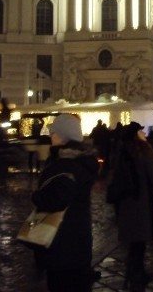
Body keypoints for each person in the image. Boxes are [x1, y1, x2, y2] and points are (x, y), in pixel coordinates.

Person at [31, 114, 100, 292]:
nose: (51, 136)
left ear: (63, 137)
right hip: (78, 240)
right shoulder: (82, 162)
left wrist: (37, 197)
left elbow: (58, 199)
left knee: (61, 284)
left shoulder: (65, 165)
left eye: (54, 133)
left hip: (61, 241)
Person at [110, 123, 153, 291]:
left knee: (133, 242)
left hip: (125, 202)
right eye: (140, 131)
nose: (143, 133)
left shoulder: (120, 153)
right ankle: (137, 273)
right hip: (141, 201)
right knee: (140, 242)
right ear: (135, 136)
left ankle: (132, 273)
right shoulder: (143, 152)